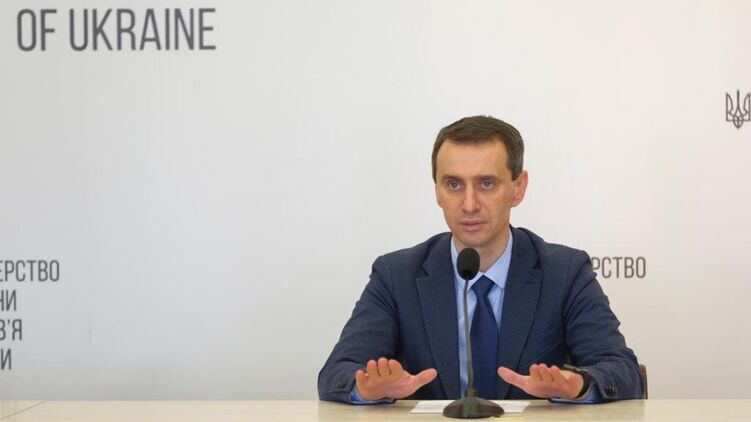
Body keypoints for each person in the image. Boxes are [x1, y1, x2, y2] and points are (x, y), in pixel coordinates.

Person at [318, 116, 643, 404]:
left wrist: (578, 385)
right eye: (453, 184)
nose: (469, 204)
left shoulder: (565, 272)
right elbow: (337, 373)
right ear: (437, 191)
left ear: (518, 188)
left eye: (486, 184)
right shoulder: (396, 275)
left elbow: (621, 369)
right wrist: (367, 389)